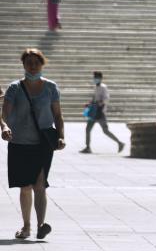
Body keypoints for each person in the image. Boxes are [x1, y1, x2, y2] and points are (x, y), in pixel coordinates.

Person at [1, 49, 66, 240]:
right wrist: (4, 127)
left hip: (43, 143)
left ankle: (40, 225)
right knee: (25, 186)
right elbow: (4, 114)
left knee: (39, 183)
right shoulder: (15, 88)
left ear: (42, 64)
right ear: (23, 65)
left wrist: (61, 136)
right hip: (19, 142)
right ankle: (26, 226)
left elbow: (58, 116)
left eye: (36, 62)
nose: (32, 66)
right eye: (28, 62)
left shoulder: (51, 87)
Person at [81, 72, 125, 154]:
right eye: (94, 77)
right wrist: (90, 104)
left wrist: (99, 103)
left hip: (100, 113)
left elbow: (106, 99)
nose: (95, 79)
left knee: (105, 131)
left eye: (96, 77)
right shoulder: (96, 87)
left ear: (100, 78)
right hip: (93, 112)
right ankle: (87, 147)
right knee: (88, 129)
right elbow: (95, 98)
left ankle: (120, 143)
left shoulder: (103, 87)